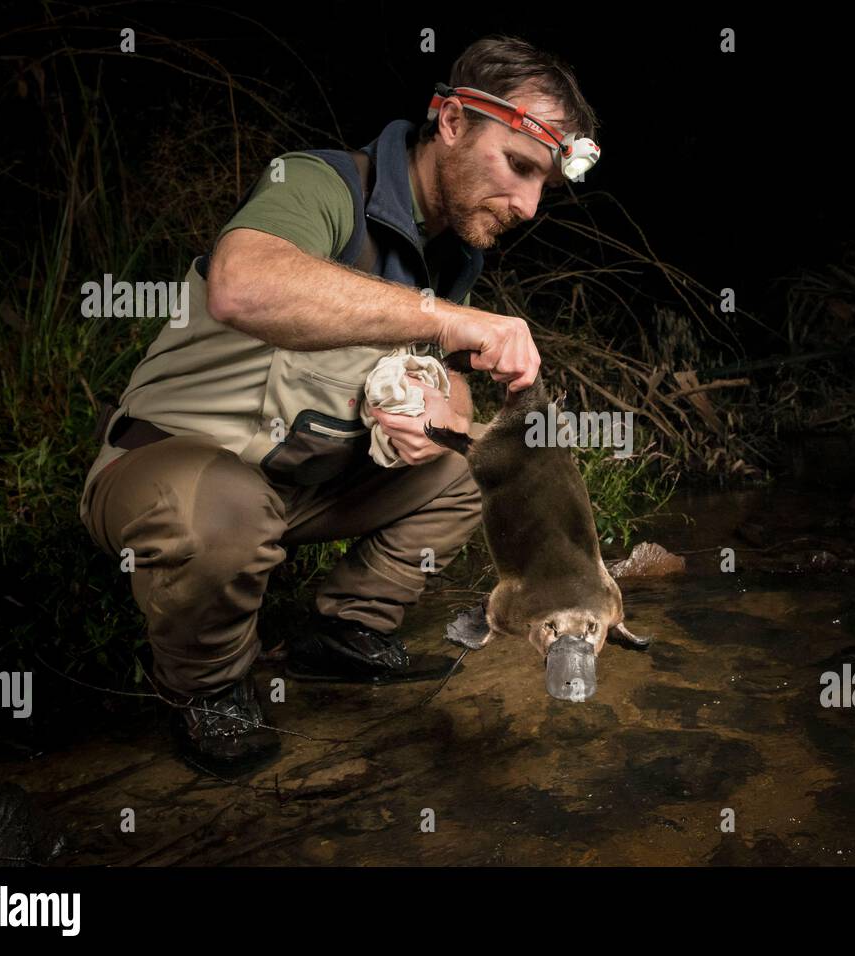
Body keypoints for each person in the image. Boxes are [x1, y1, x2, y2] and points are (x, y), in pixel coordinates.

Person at [77, 34, 600, 769]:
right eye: (518, 167)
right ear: (450, 122)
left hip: (302, 481)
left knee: (475, 466)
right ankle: (209, 687)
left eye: (544, 182)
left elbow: (443, 374)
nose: (529, 205)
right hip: (170, 466)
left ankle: (346, 629)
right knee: (229, 511)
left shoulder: (454, 252)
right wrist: (449, 316)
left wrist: (435, 414)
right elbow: (243, 285)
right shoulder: (319, 182)